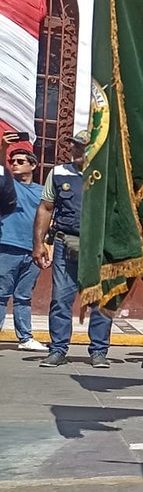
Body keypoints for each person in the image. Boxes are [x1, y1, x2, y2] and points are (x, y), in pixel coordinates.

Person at [34, 129, 113, 368]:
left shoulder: (108, 175)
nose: (76, 150)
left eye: (82, 146)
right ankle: (58, 349)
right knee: (60, 299)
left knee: (100, 300)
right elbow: (46, 208)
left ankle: (99, 351)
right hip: (63, 243)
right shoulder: (58, 173)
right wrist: (38, 244)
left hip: (99, 248)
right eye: (74, 145)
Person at [1, 139, 45, 352]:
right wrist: (3, 149)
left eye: (20, 161)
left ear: (33, 165)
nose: (14, 164)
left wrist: (47, 245)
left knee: (23, 296)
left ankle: (25, 337)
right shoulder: (8, 185)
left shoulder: (43, 191)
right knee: (1, 293)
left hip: (33, 249)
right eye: (12, 160)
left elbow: (51, 219)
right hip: (7, 245)